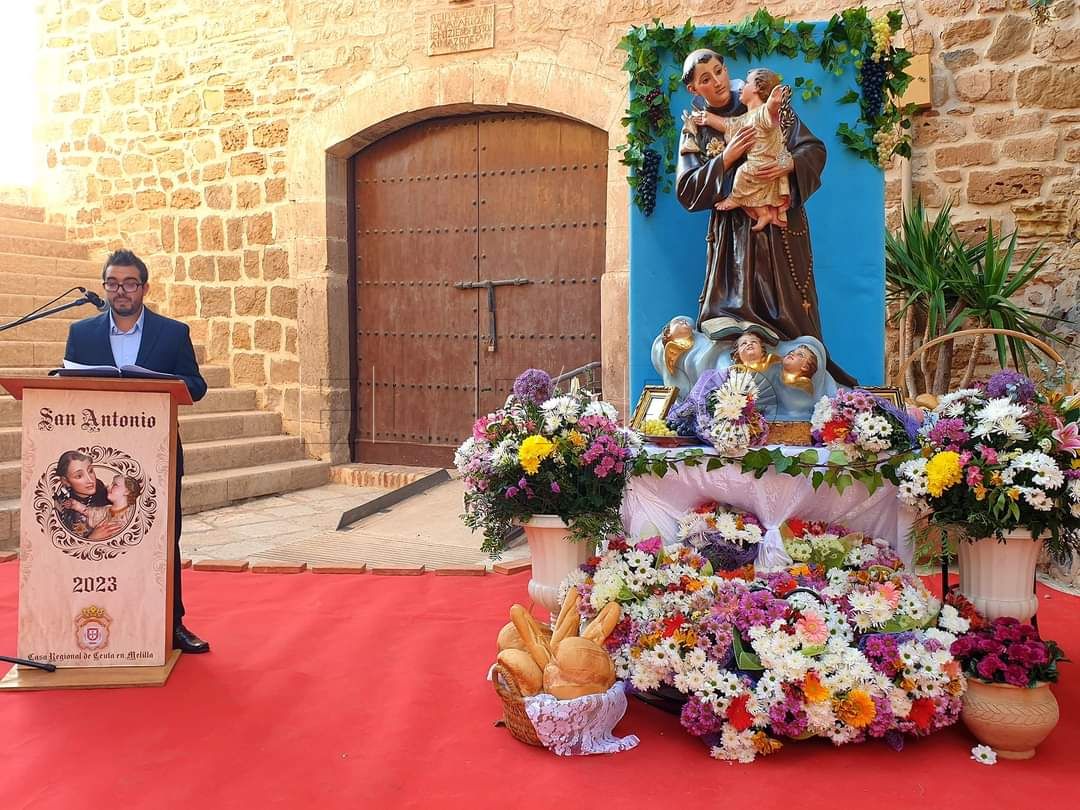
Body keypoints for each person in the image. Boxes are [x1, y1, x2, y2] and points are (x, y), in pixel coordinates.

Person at [676, 48, 857, 387]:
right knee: (734, 310)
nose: (717, 82)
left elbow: (813, 150)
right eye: (706, 79)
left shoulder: (761, 103)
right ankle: (739, 372)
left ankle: (799, 372)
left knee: (789, 311)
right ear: (694, 89)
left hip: (779, 230)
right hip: (733, 238)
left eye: (719, 71)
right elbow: (687, 188)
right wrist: (726, 158)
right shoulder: (696, 128)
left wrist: (788, 164)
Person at [64, 249, 210, 654]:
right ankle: (95, 618)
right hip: (99, 457)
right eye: (113, 283)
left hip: (156, 451)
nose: (121, 291)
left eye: (130, 283)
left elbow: (196, 386)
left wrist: (163, 382)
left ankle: (171, 623)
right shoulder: (82, 333)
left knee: (163, 535)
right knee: (99, 537)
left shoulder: (172, 333)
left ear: (144, 288)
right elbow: (67, 384)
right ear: (104, 286)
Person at [710, 69, 790, 231]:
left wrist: (773, 102)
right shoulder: (748, 117)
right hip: (759, 164)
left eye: (746, 83)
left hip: (766, 162)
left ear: (757, 88)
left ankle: (735, 198)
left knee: (742, 172)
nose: (741, 86)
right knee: (753, 188)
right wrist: (708, 119)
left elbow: (770, 114)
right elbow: (729, 124)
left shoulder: (762, 113)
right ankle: (764, 214)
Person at [63, 474, 141, 540]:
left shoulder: (131, 515)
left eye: (115, 485)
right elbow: (92, 512)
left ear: (127, 491)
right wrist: (75, 505)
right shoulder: (107, 509)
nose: (108, 487)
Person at [55, 450, 112, 538]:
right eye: (79, 476)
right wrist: (92, 538)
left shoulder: (102, 490)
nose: (90, 480)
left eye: (90, 471)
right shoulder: (63, 506)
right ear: (66, 481)